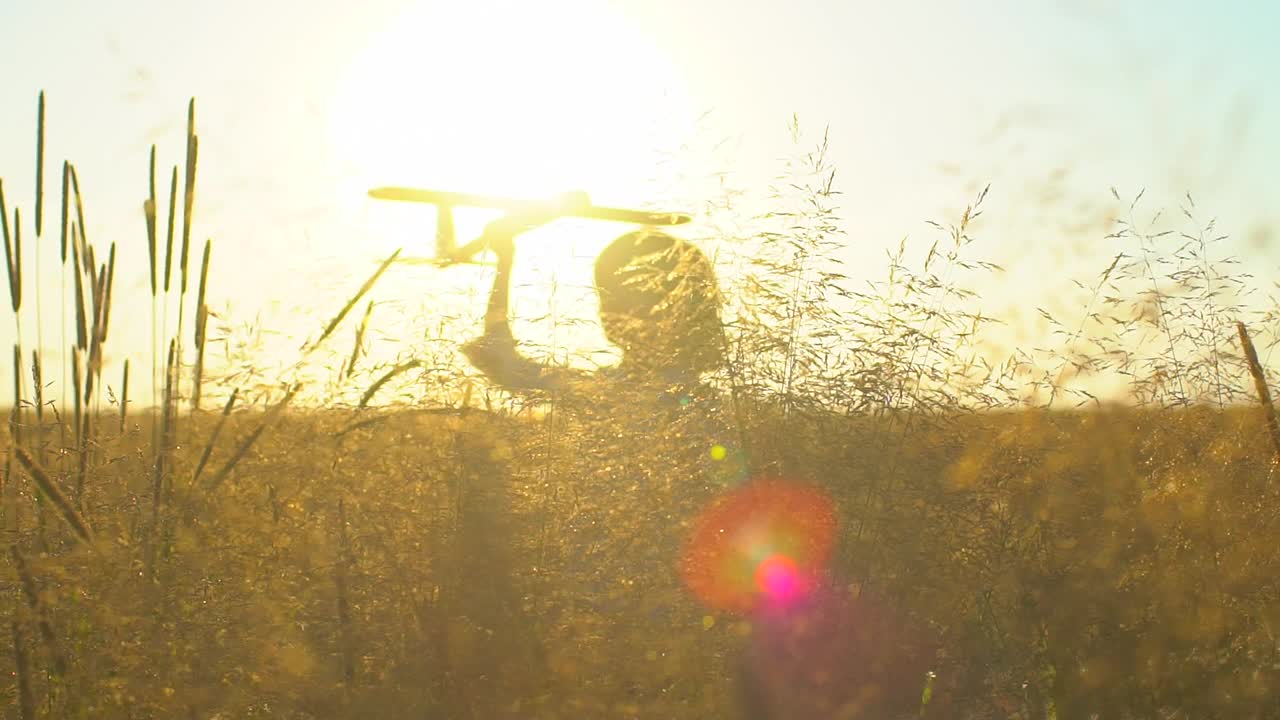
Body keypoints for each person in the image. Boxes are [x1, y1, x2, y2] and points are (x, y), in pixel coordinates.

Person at [460, 202, 725, 399]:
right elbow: (499, 360)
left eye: (613, 297)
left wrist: (505, 260)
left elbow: (498, 360)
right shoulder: (736, 416)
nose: (604, 312)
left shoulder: (607, 394)